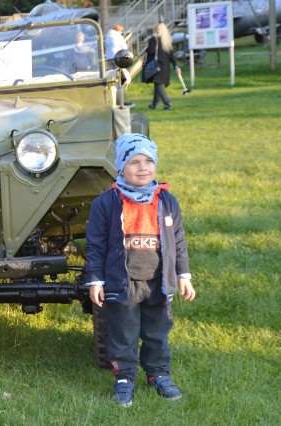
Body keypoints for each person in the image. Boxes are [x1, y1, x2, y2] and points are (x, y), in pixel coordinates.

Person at [85, 133, 196, 407]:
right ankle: (124, 378)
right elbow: (96, 246)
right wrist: (96, 281)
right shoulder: (106, 203)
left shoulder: (167, 201)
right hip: (122, 283)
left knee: (157, 331)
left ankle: (157, 374)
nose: (142, 167)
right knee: (123, 333)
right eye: (134, 162)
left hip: (158, 281)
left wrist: (183, 275)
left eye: (148, 160)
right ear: (121, 165)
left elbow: (178, 241)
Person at [144, 23, 179, 110]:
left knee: (158, 84)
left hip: (156, 65)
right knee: (158, 84)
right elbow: (171, 55)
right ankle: (154, 104)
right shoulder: (166, 40)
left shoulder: (153, 39)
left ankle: (167, 103)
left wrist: (147, 48)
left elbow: (151, 51)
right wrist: (176, 66)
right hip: (165, 66)